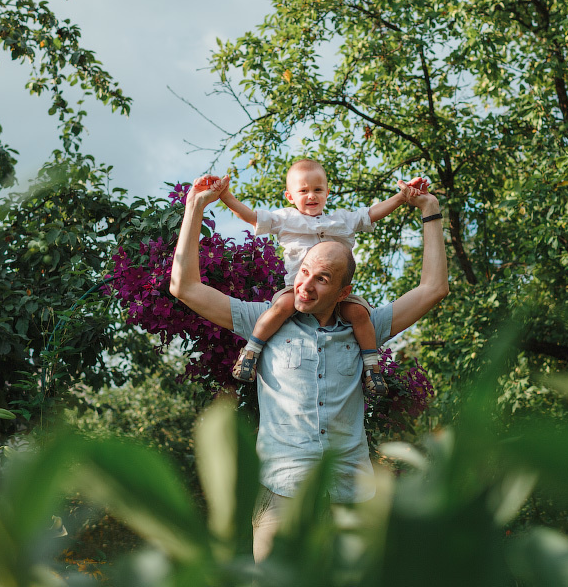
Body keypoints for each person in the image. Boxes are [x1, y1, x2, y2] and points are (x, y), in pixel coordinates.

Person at [169, 173, 448, 561]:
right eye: (304, 273)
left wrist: (430, 212)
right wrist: (194, 207)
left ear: (343, 292)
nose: (305, 286)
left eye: (322, 279)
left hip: (352, 495)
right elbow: (185, 287)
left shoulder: (363, 326)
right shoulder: (263, 320)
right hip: (280, 492)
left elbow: (433, 288)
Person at [216, 158, 421, 399]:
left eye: (317, 190)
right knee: (281, 305)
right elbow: (252, 217)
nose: (311, 196)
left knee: (359, 314)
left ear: (327, 192)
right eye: (303, 191)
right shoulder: (286, 218)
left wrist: (401, 197)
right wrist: (225, 196)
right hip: (297, 289)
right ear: (290, 196)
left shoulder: (342, 220)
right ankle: (251, 350)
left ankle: (371, 366)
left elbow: (371, 214)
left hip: (334, 293)